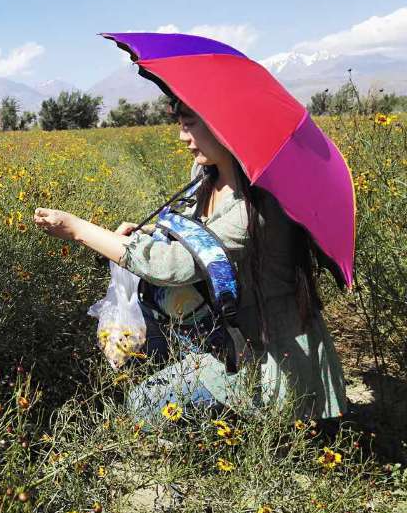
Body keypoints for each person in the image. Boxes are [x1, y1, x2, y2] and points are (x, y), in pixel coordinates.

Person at [33, 99, 347, 423]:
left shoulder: (254, 208)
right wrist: (148, 231)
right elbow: (196, 231)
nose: (183, 136)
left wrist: (77, 229)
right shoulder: (205, 174)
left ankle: (252, 418)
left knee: (141, 407)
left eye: (190, 124)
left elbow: (173, 265)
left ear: (225, 127)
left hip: (267, 357)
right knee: (145, 315)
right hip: (228, 330)